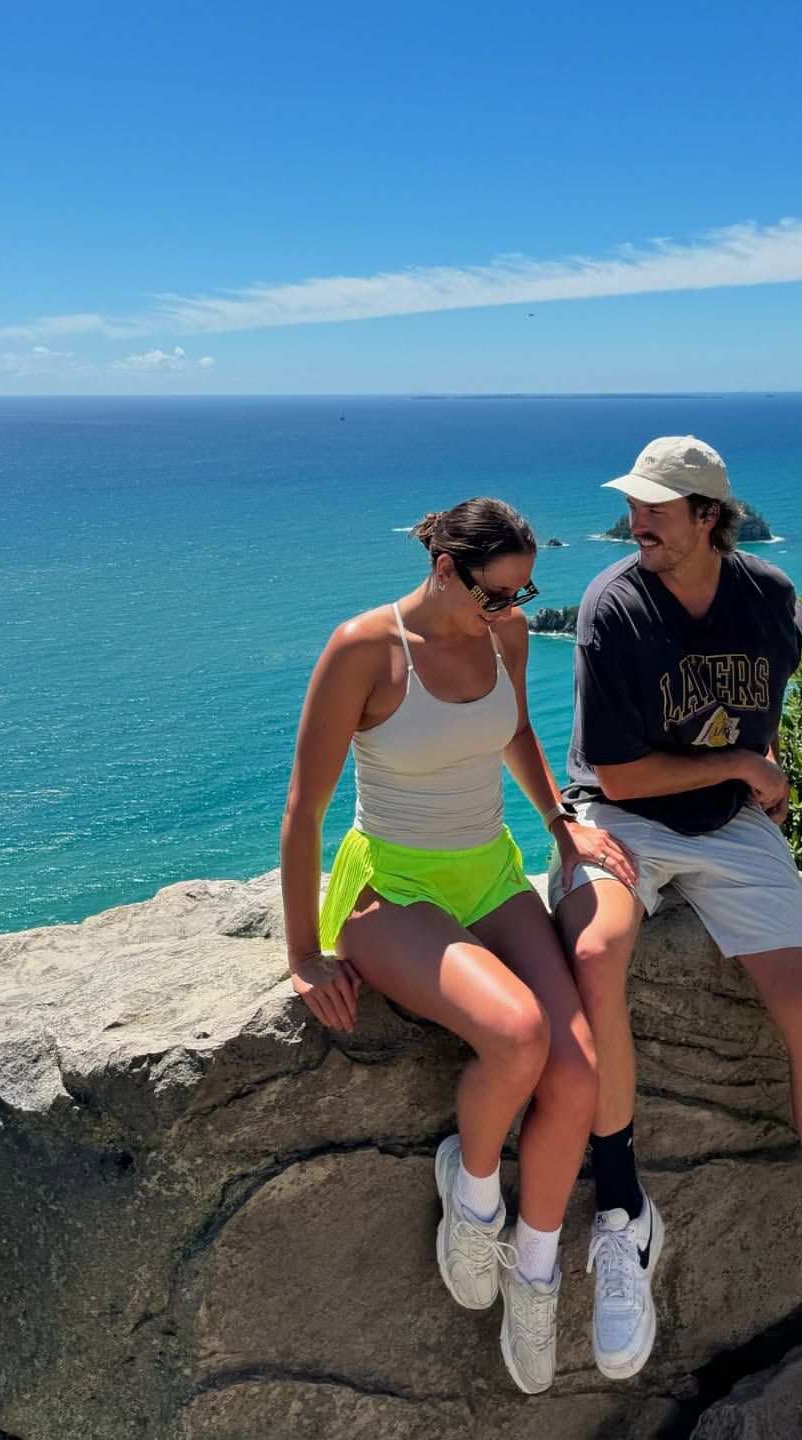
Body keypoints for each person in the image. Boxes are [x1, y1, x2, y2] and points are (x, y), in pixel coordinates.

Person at [549, 438, 802, 1434]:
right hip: (620, 817)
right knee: (595, 955)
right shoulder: (611, 607)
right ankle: (627, 1215)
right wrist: (747, 770)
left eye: (658, 507)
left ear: (710, 518)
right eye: (635, 505)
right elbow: (618, 774)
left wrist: (754, 769)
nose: (637, 520)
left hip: (729, 827)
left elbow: (762, 706)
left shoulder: (770, 598)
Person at [280, 497, 636, 1396]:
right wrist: (304, 954)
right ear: (446, 569)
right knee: (517, 1034)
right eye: (498, 594)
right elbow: (304, 810)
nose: (512, 611)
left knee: (578, 1076)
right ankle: (473, 1200)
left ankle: (536, 1272)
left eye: (523, 594)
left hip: (489, 871)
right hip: (392, 887)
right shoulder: (364, 649)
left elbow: (512, 729)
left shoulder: (504, 635)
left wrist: (560, 823)